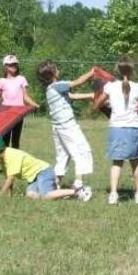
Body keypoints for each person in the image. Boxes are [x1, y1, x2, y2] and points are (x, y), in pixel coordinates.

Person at [94, 55, 138, 205]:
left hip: (116, 128)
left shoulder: (110, 87)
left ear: (117, 70)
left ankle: (113, 194)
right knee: (135, 162)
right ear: (132, 70)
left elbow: (97, 103)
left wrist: (104, 104)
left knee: (117, 162)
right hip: (132, 129)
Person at [36, 60, 95, 194]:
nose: (57, 69)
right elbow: (78, 82)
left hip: (58, 127)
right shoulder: (57, 85)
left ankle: (55, 185)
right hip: (67, 125)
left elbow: (70, 96)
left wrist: (90, 95)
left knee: (63, 155)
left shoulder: (50, 89)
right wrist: (92, 72)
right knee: (81, 150)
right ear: (52, 73)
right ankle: (78, 185)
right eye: (55, 67)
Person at [0, 135, 91, 201]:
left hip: (43, 171)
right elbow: (8, 179)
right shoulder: (3, 160)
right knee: (31, 196)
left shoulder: (11, 156)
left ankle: (79, 191)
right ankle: (60, 194)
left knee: (46, 195)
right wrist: (9, 195)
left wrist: (0, 195)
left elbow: (10, 178)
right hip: (33, 178)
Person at [0, 54, 39, 149]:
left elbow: (25, 97)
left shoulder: (21, 79)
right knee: (5, 139)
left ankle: (15, 161)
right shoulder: (1, 81)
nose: (13, 66)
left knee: (15, 140)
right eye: (10, 64)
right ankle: (5, 160)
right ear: (5, 66)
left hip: (18, 113)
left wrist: (34, 104)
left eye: (15, 64)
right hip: (6, 113)